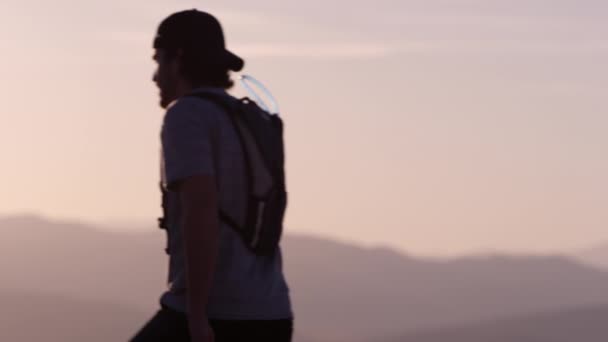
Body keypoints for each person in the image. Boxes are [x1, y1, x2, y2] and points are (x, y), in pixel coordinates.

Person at [130, 9, 293, 342]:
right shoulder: (251, 118)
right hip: (272, 313)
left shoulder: (187, 115)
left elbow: (201, 210)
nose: (155, 76)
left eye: (158, 61)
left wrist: (197, 315)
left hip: (219, 315)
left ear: (178, 59)